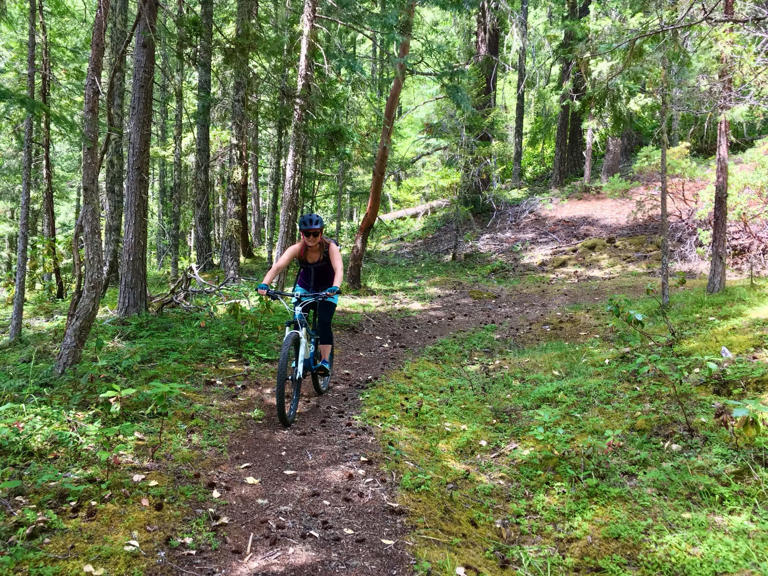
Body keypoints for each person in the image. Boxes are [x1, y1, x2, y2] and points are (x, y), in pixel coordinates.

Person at [258, 213, 343, 375]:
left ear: (321, 232)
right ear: (301, 234)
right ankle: (300, 358)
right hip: (304, 288)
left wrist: (335, 287)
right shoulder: (297, 249)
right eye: (307, 234)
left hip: (327, 289)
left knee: (324, 322)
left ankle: (324, 361)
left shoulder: (330, 247)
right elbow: (277, 267)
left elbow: (339, 268)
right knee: (298, 320)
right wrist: (265, 283)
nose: (311, 237)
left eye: (315, 233)